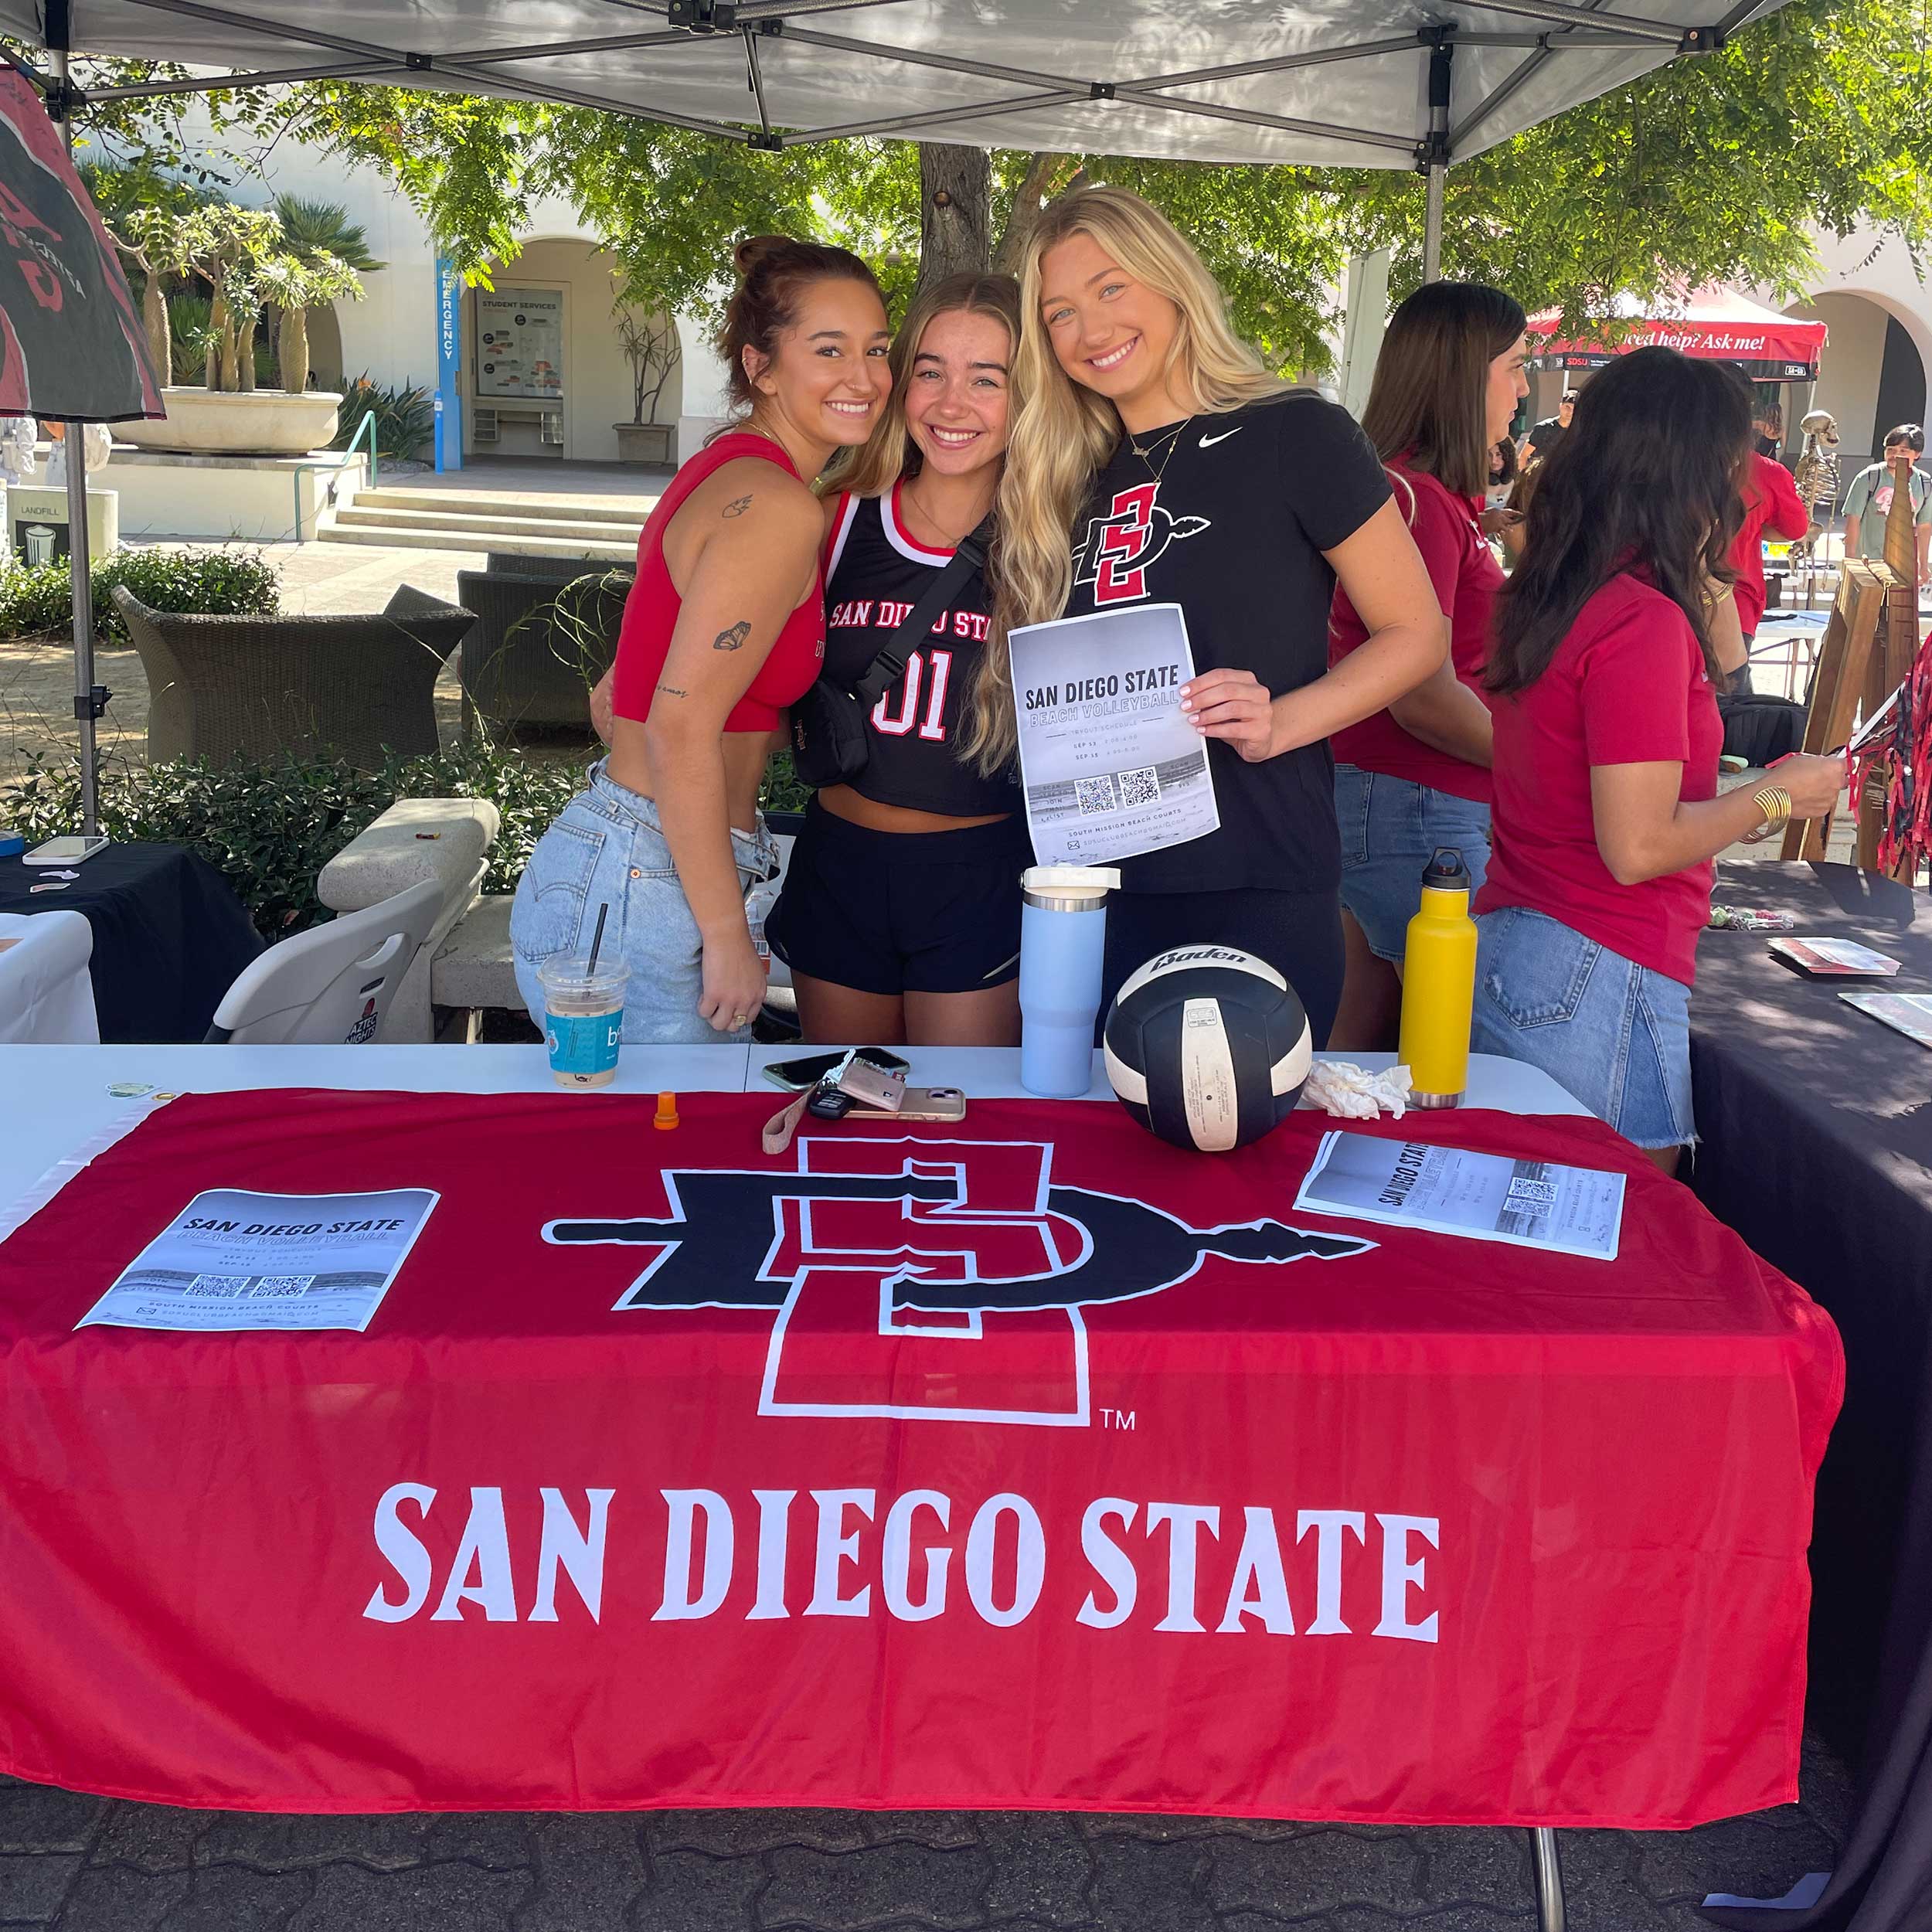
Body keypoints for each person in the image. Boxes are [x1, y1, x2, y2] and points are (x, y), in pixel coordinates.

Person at [996, 185, 1445, 1044]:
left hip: (1257, 873)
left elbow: (1416, 633)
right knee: (1090, 1123)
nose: (1090, 329)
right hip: (1090, 890)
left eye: (1111, 287)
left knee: (1246, 1124)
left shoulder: (1297, 433)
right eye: (1059, 314)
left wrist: (1283, 721)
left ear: (1171, 281)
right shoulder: (1059, 472)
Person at [1470, 348, 1845, 1168]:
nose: (1741, 487)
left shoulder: (1552, 591)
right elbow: (1636, 846)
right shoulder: (1638, 618)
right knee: (1615, 1225)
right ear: (1688, 471)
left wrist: (1735, 806)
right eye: (1731, 462)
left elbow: (1600, 789)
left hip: (1525, 939)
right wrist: (1777, 795)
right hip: (1597, 961)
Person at [512, 236, 890, 1043]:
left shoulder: (729, 467)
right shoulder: (774, 507)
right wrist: (723, 933)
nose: (863, 377)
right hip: (652, 878)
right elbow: (677, 723)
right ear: (761, 366)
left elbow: (617, 697)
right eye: (829, 350)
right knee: (662, 1125)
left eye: (877, 349)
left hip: (648, 857)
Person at [766, 272, 1032, 1046]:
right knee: (848, 1104)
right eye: (930, 371)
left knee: (959, 1108)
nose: (951, 404)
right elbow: (751, 693)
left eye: (987, 380)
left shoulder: (1054, 544)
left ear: (1029, 397)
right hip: (842, 863)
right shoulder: (834, 519)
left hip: (980, 873)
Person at [1325, 281, 1529, 1050]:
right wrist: (1534, 767)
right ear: (1463, 373)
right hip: (1413, 805)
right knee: (1476, 1051)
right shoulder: (1416, 499)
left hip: (1398, 802)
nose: (1522, 390)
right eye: (1514, 367)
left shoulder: (1419, 493)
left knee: (1359, 1057)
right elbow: (1419, 692)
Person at [1723, 428, 1808, 695]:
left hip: (1688, 595)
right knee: (1728, 698)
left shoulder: (1667, 460)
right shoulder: (1765, 471)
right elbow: (1794, 530)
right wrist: (1755, 526)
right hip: (1734, 598)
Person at [1842, 423, 1930, 586]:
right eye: (1890, 449)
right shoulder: (1869, 477)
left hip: (1904, 565)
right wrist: (1851, 562)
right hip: (1869, 562)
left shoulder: (1925, 484)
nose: (1895, 455)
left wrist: (1923, 565)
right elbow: (1853, 521)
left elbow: (1924, 527)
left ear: (1917, 454)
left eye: (1903, 451)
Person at [1519, 389, 1577, 467]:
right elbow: (1524, 456)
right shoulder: (1543, 428)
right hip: (1539, 471)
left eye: (1574, 409)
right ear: (1560, 406)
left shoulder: (1579, 431)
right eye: (1567, 407)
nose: (1570, 412)